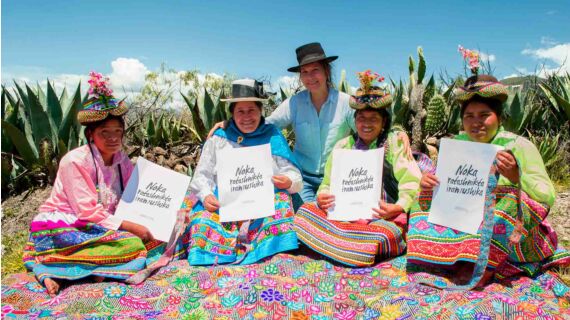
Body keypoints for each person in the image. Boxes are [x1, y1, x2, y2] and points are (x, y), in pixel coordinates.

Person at [22, 72, 180, 297]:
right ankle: (50, 267)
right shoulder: (75, 162)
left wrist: (165, 208)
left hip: (100, 225)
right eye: (104, 133)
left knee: (160, 237)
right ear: (90, 134)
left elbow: (137, 190)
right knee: (133, 244)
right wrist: (133, 226)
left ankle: (93, 269)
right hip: (66, 227)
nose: (113, 138)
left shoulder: (120, 159)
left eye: (118, 132)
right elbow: (87, 211)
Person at [407, 73, 570, 287]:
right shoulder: (457, 144)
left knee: (511, 199)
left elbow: (546, 196)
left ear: (499, 117)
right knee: (424, 197)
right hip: (467, 222)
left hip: (512, 235)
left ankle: (485, 266)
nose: (476, 123)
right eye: (469, 116)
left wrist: (515, 176)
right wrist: (428, 182)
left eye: (484, 115)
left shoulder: (518, 146)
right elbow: (444, 183)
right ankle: (443, 254)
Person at [208, 42, 410, 208]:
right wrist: (230, 123)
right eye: (305, 72)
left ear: (326, 72)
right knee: (307, 219)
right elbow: (263, 124)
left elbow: (368, 124)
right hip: (302, 178)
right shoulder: (294, 104)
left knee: (330, 222)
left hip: (336, 178)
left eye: (315, 70)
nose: (310, 77)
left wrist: (398, 132)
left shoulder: (345, 103)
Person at [294, 71, 421, 267]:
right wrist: (323, 196)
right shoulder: (343, 146)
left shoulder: (394, 144)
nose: (366, 124)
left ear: (384, 121)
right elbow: (327, 183)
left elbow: (411, 181)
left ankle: (343, 246)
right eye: (362, 118)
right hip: (345, 217)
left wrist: (398, 206)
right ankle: (354, 249)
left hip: (381, 218)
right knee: (304, 213)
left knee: (385, 233)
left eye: (374, 119)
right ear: (355, 120)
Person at [187, 79, 302, 265]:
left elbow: (293, 174)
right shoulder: (219, 138)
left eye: (252, 111)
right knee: (201, 221)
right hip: (224, 207)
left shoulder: (272, 135)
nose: (246, 116)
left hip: (263, 209)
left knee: (282, 203)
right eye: (240, 111)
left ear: (260, 111)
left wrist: (288, 181)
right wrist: (206, 195)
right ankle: (220, 252)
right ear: (231, 113)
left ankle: (269, 250)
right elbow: (202, 175)